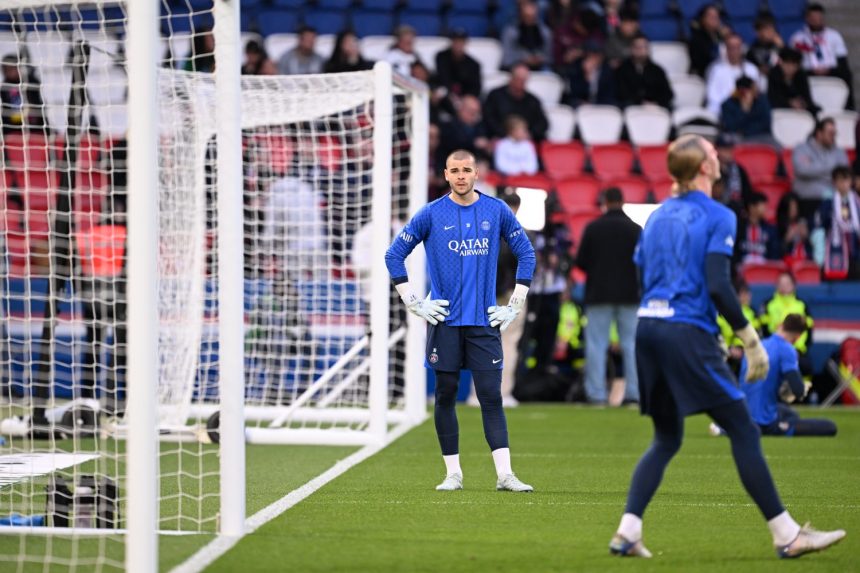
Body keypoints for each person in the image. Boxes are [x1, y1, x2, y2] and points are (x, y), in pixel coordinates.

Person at [609, 134, 845, 559]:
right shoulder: (720, 215)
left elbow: (643, 275)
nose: (719, 159)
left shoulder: (657, 217)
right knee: (741, 426)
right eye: (714, 154)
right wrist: (749, 338)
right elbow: (718, 284)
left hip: (648, 328)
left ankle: (627, 531)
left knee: (666, 438)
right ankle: (788, 535)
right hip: (684, 330)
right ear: (703, 168)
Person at [384, 149, 536, 492]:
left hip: (484, 322)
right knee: (446, 395)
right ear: (446, 174)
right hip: (445, 322)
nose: (461, 175)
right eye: (455, 170)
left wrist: (514, 302)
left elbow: (527, 252)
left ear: (476, 174)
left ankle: (505, 475)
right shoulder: (431, 213)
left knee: (490, 396)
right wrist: (413, 301)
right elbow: (394, 254)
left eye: (467, 169)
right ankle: (453, 474)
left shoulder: (496, 210)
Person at [576, 187, 640, 405]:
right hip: (630, 294)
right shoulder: (635, 229)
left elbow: (581, 262)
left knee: (596, 344)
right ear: (622, 201)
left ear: (604, 202)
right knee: (631, 344)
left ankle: (597, 394)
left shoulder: (593, 228)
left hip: (599, 293)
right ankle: (634, 393)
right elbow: (644, 263)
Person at [730, 314, 837, 437]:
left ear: (780, 325)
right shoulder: (787, 349)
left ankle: (726, 426)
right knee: (830, 426)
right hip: (764, 422)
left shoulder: (760, 345)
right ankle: (777, 426)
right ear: (797, 337)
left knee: (790, 414)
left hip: (743, 416)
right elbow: (798, 390)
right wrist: (796, 388)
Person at [467, 191, 527, 408]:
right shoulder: (518, 234)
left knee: (482, 344)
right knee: (508, 343)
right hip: (510, 294)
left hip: (483, 294)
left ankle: (476, 395)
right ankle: (503, 393)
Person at [790, 2, 854, 110]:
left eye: (819, 17)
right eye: (813, 18)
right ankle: (807, 105)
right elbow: (793, 61)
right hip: (808, 71)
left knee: (846, 73)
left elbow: (842, 59)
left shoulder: (834, 36)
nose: (816, 21)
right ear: (807, 18)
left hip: (831, 70)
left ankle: (848, 106)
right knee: (796, 75)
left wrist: (827, 69)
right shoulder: (798, 38)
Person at [792, 117, 849, 220]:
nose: (833, 136)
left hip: (834, 199)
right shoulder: (802, 148)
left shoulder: (839, 152)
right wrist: (831, 170)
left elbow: (844, 173)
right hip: (809, 200)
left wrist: (814, 167)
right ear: (819, 133)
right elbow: (802, 170)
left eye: (834, 133)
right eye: (830, 133)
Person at [483, 62, 549, 143]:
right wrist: (506, 135)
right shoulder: (495, 95)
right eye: (518, 79)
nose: (521, 83)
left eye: (524, 80)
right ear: (511, 78)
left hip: (525, 141)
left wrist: (528, 134)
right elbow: (488, 118)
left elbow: (543, 123)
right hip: (500, 139)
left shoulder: (533, 101)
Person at [817, 165, 860, 280]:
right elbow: (822, 224)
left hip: (854, 251)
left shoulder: (857, 203)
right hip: (834, 249)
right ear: (834, 183)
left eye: (846, 179)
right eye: (840, 180)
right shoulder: (828, 203)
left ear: (851, 181)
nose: (843, 183)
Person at [705, 34, 760, 117]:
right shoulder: (716, 70)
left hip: (748, 113)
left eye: (737, 47)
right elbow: (712, 97)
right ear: (725, 49)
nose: (734, 51)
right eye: (731, 47)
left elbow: (756, 94)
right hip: (722, 113)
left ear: (742, 49)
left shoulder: (751, 69)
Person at [615, 33, 673, 109]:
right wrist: (640, 102)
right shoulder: (622, 70)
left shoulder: (657, 70)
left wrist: (655, 103)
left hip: (656, 109)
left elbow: (668, 94)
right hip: (631, 109)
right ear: (632, 49)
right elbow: (621, 93)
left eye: (644, 47)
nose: (641, 51)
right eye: (638, 47)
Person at [562, 41, 617, 108]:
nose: (592, 59)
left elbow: (609, 95)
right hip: (581, 106)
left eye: (595, 55)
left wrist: (596, 105)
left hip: (601, 106)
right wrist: (586, 76)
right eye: (589, 56)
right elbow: (573, 93)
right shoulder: (576, 69)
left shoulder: (606, 71)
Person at [1, 54, 47, 133]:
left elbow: (37, 104)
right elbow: (6, 111)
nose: (9, 71)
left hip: (34, 126)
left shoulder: (30, 82)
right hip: (13, 128)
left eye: (12, 68)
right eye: (6, 69)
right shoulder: (4, 88)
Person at [501, 0, 552, 71]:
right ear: (521, 14)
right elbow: (507, 60)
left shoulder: (544, 32)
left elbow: (549, 57)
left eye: (532, 17)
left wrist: (539, 59)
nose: (530, 20)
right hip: (518, 66)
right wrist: (524, 58)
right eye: (527, 17)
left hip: (540, 67)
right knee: (521, 72)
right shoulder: (511, 31)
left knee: (548, 73)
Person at [720, 76, 773, 144]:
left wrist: (746, 131)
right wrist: (744, 110)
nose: (756, 91)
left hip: (760, 136)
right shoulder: (728, 104)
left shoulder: (762, 101)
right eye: (753, 89)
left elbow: (765, 123)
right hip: (738, 137)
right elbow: (731, 126)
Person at [435, 29, 482, 101]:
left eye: (461, 42)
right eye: (456, 41)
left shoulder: (474, 64)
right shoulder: (441, 57)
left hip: (464, 97)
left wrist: (466, 98)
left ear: (465, 43)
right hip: (445, 95)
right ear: (451, 42)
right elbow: (443, 77)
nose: (458, 44)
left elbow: (476, 88)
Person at [735, 192, 781, 265]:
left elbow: (774, 254)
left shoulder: (770, 230)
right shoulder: (740, 228)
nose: (765, 209)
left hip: (764, 269)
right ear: (752, 207)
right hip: (742, 269)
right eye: (763, 205)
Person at [767, 47, 818, 114]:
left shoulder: (801, 76)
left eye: (794, 65)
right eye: (787, 64)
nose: (790, 68)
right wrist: (790, 103)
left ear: (798, 66)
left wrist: (802, 103)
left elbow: (807, 97)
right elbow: (772, 98)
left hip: (800, 111)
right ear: (781, 62)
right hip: (780, 111)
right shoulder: (774, 74)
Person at [688, 4, 729, 78]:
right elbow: (701, 61)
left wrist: (727, 38)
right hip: (703, 74)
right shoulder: (697, 39)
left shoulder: (722, 37)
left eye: (716, 16)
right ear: (703, 19)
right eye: (711, 16)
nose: (715, 19)